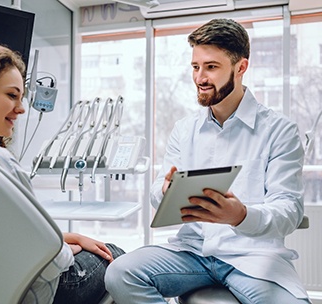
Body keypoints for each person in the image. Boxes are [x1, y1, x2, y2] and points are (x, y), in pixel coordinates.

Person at [105, 18, 310, 304]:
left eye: (211, 67)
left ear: (241, 68)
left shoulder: (280, 130)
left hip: (252, 256)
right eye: (195, 67)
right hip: (193, 253)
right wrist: (165, 191)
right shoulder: (184, 129)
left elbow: (288, 210)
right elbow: (156, 192)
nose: (200, 77)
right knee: (120, 273)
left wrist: (240, 216)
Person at [0, 41, 125, 304]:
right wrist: (66, 247)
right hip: (36, 293)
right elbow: (55, 261)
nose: (21, 109)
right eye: (11, 95)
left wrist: (67, 237)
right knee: (117, 255)